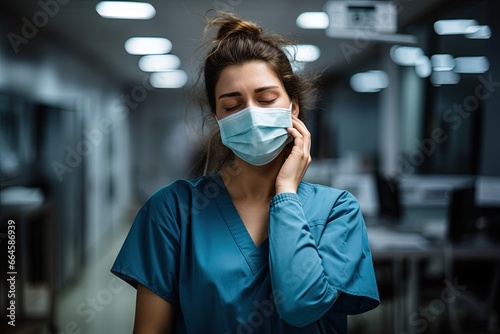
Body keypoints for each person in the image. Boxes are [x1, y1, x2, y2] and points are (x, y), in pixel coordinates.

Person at [111, 12, 380, 334]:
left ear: (293, 108)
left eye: (266, 99)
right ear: (217, 117)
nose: (252, 115)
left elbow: (301, 305)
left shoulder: (338, 211)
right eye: (232, 106)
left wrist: (285, 194)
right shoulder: (172, 209)